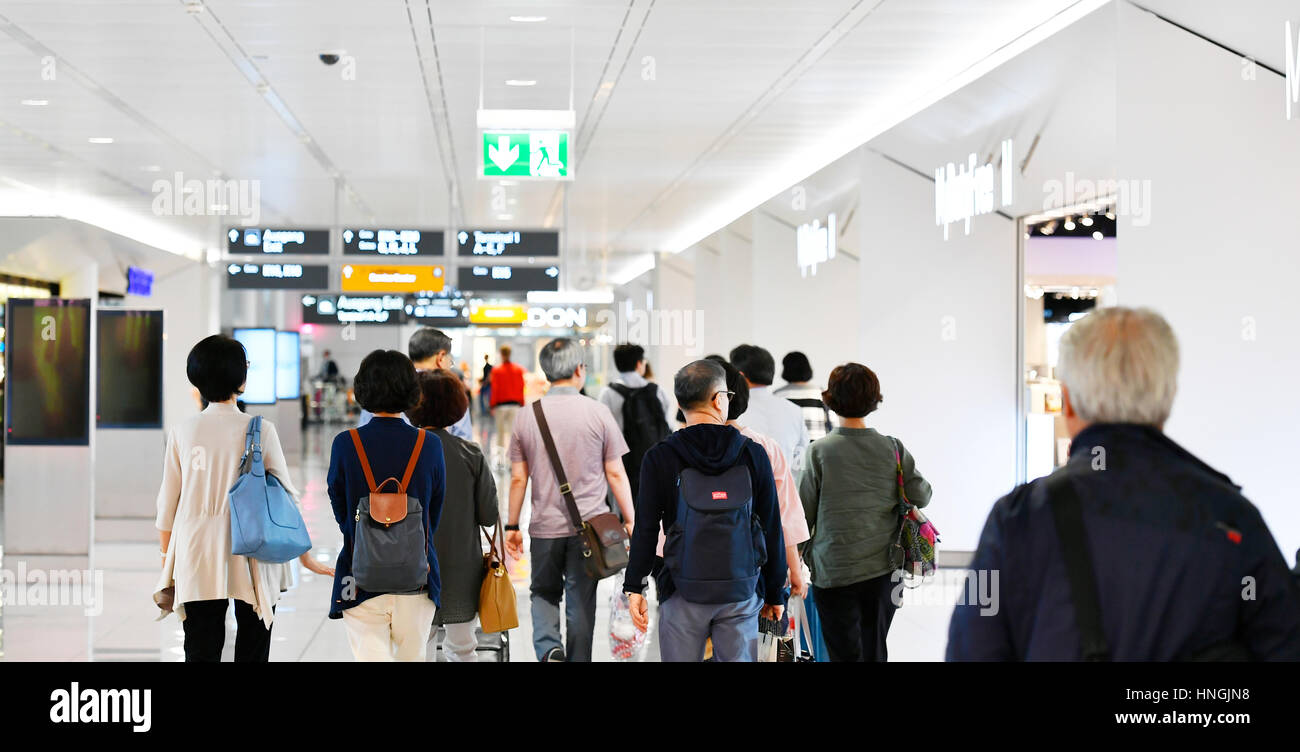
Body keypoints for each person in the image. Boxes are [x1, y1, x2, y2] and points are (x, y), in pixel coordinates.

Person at [948, 307, 1300, 660]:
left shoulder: (1015, 519)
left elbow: (972, 651)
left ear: (1066, 402)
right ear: (1168, 396)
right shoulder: (1234, 521)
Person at [155, 334, 333, 662]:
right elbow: (286, 495)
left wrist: (167, 556)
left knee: (200, 645)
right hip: (254, 547)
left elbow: (168, 505)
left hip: (197, 549)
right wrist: (305, 557)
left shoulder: (183, 431)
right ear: (241, 379)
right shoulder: (260, 430)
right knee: (253, 643)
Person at [625, 359, 786, 662]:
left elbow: (646, 527)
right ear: (718, 399)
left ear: (680, 401)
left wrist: (635, 585)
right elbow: (771, 525)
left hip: (681, 586)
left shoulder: (660, 456)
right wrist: (776, 591)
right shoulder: (752, 453)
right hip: (741, 588)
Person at [502, 338, 635, 662]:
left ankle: (549, 648)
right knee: (581, 600)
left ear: (546, 373)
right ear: (579, 370)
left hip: (545, 527)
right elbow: (615, 473)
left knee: (543, 592)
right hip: (589, 529)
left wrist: (511, 525)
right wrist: (631, 518)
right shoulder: (598, 412)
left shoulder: (526, 416)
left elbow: (519, 478)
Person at [798, 362, 930, 661]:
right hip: (885, 569)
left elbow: (802, 517)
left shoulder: (819, 451)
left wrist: (808, 557)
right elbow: (922, 494)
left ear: (830, 399)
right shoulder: (892, 448)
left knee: (842, 652)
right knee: (874, 650)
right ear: (874, 400)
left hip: (833, 571)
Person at [327, 350, 446, 661]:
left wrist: (360, 531)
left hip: (358, 573)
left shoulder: (345, 444)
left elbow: (338, 500)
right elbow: (435, 509)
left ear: (363, 388)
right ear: (411, 390)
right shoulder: (429, 445)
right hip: (417, 575)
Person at [408, 370, 499, 662]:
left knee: (419, 644)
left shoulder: (405, 453)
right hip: (461, 569)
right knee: (463, 646)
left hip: (413, 565)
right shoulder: (470, 453)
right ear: (457, 407)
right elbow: (488, 515)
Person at [710, 356, 809, 599]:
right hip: (752, 568)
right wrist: (793, 571)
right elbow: (784, 515)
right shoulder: (764, 446)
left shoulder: (678, 447)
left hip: (692, 571)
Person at [358, 327, 472, 442]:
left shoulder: (387, 383)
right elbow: (463, 441)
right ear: (441, 358)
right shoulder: (451, 390)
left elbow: (364, 431)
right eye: (450, 362)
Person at [598, 343, 672, 505]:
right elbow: (668, 425)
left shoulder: (608, 393)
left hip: (621, 460)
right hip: (653, 459)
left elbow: (602, 430)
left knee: (624, 506)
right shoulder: (657, 391)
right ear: (639, 364)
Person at [731, 344, 810, 474]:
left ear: (740, 375)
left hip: (746, 491)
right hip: (786, 489)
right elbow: (801, 460)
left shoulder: (733, 412)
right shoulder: (794, 410)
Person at [773, 351, 835, 441]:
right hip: (818, 449)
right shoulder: (820, 393)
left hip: (789, 449)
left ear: (786, 369)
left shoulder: (778, 395)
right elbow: (833, 425)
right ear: (807, 368)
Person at [489, 344, 525, 459]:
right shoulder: (518, 370)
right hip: (514, 405)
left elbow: (495, 388)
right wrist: (522, 403)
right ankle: (512, 458)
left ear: (501, 354)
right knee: (512, 434)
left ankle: (500, 458)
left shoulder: (497, 370)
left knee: (500, 433)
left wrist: (492, 404)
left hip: (500, 406)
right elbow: (521, 387)